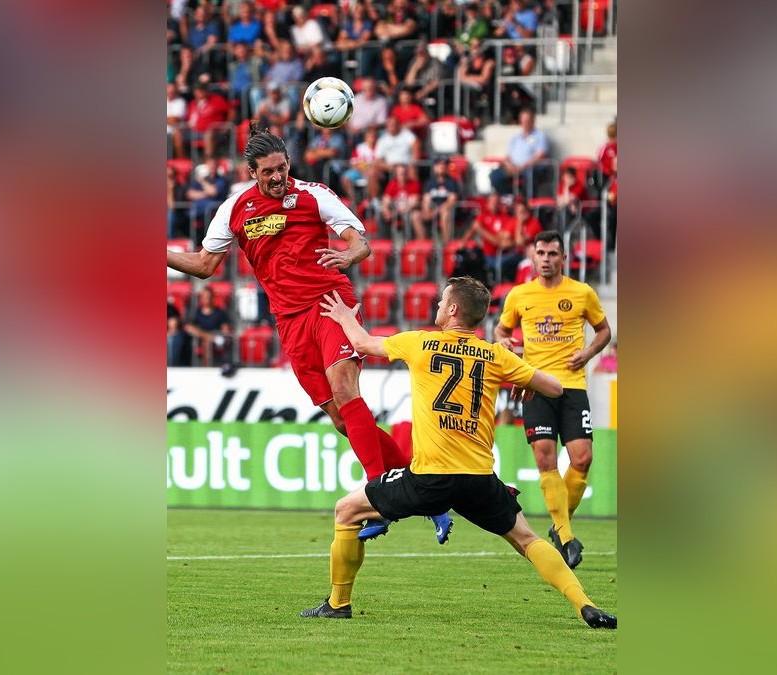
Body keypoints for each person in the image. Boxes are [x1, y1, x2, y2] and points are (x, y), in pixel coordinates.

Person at [166, 123, 451, 543]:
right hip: (290, 322)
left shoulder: (314, 194)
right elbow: (206, 265)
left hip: (330, 305)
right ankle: (429, 492)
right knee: (341, 418)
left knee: (345, 389)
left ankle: (378, 496)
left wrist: (349, 255)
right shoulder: (234, 209)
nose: (278, 177)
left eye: (282, 168)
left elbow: (360, 242)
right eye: (268, 172)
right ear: (252, 172)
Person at [301, 277, 617, 629]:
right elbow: (555, 387)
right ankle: (585, 604)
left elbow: (361, 341)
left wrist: (344, 315)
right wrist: (526, 382)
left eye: (441, 301)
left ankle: (338, 603)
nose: (437, 305)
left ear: (452, 310)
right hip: (479, 480)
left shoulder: (421, 343)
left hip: (430, 477)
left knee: (346, 511)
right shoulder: (497, 355)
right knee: (527, 539)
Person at [492, 231, 613, 569]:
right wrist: (506, 346)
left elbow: (604, 331)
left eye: (552, 254)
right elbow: (501, 332)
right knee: (546, 461)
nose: (546, 259)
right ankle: (567, 535)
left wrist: (588, 353)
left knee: (582, 458)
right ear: (533, 256)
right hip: (536, 385)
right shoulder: (519, 295)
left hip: (573, 384)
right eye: (541, 253)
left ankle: (561, 527)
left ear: (564, 257)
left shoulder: (581, 293)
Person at [490, 108, 549, 198]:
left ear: (533, 121)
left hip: (531, 168)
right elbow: (507, 156)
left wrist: (523, 166)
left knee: (529, 173)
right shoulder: (516, 138)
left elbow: (541, 155)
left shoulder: (540, 136)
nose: (525, 123)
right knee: (495, 175)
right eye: (523, 121)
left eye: (528, 120)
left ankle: (528, 203)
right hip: (514, 168)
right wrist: (509, 165)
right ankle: (509, 199)